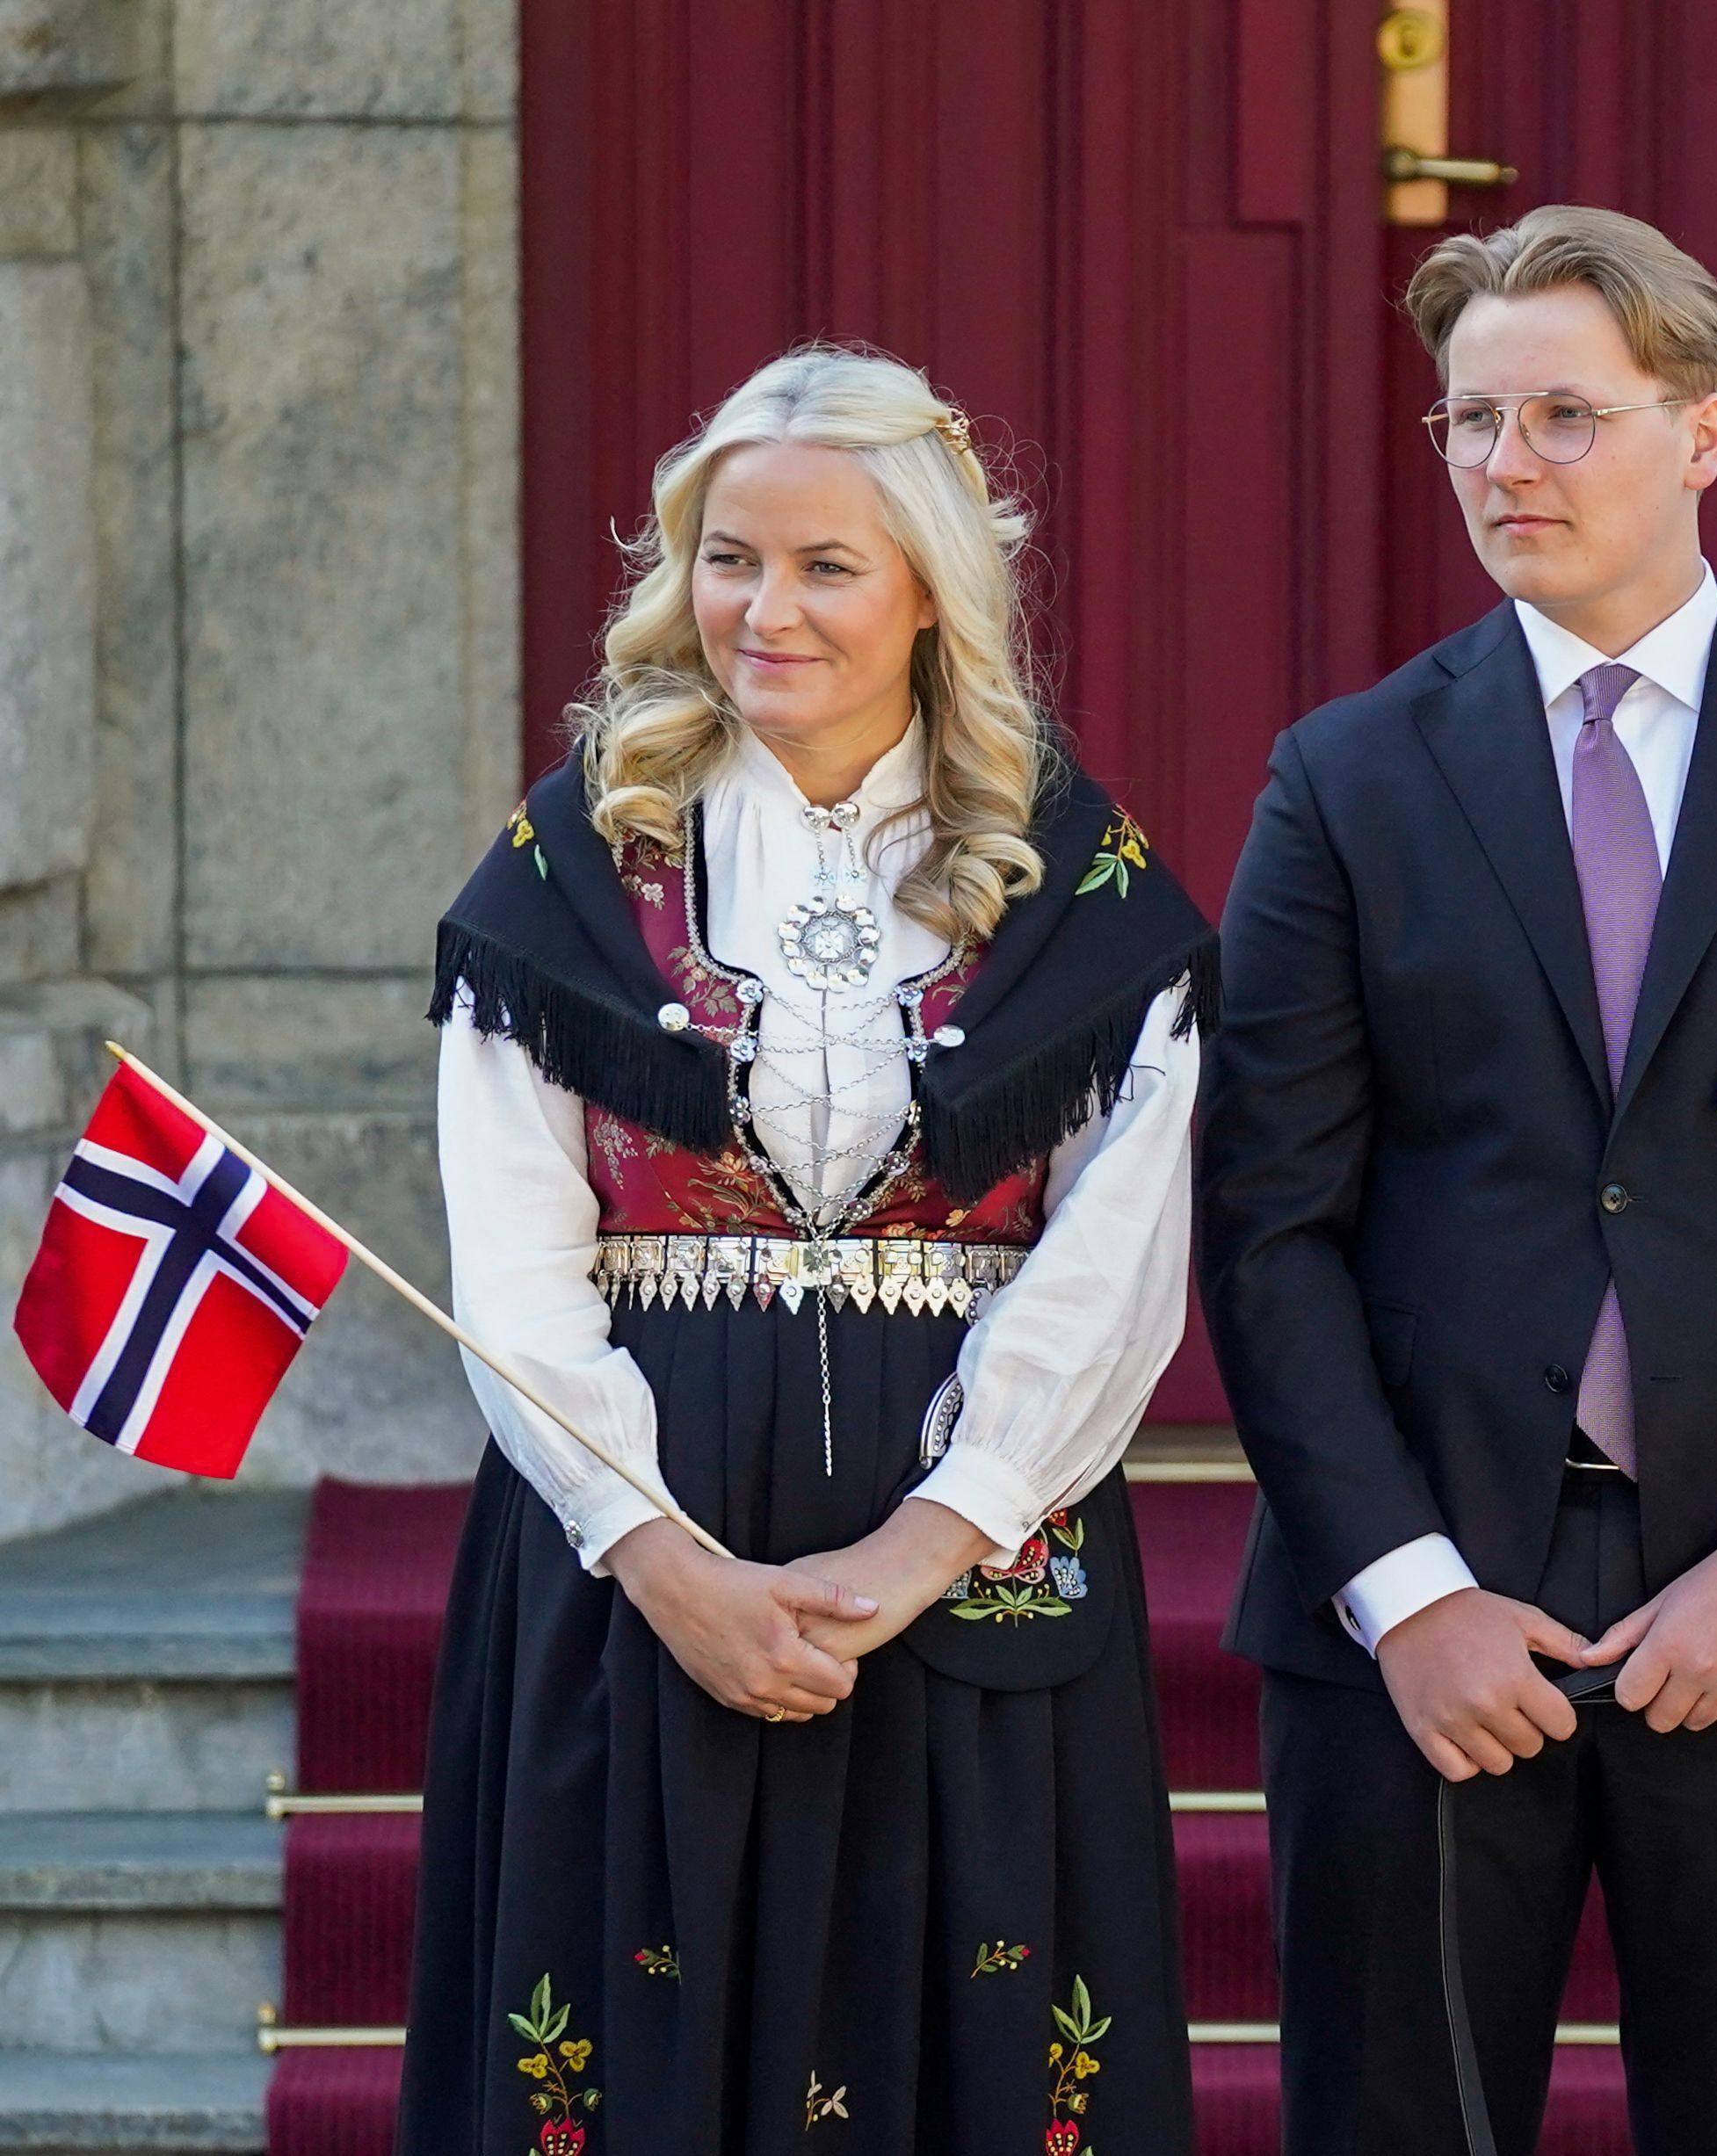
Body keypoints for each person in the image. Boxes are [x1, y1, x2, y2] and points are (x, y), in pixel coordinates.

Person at [1197, 205, 1717, 2156]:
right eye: (1468, 423)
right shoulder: (1347, 779)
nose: (1504, 466)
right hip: (1424, 1619)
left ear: (1701, 434)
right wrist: (1405, 1593)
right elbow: (1267, 1222)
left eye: (1562, 416)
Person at [398, 344, 1213, 2154]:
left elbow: (1116, 1259)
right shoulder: (568, 871)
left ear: (930, 587)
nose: (765, 608)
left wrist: (934, 1535)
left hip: (974, 1534)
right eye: (728, 557)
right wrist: (665, 1559)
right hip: (633, 1528)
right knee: (625, 2040)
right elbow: (516, 1266)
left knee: (974, 2039)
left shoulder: (1075, 886)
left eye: (826, 564)